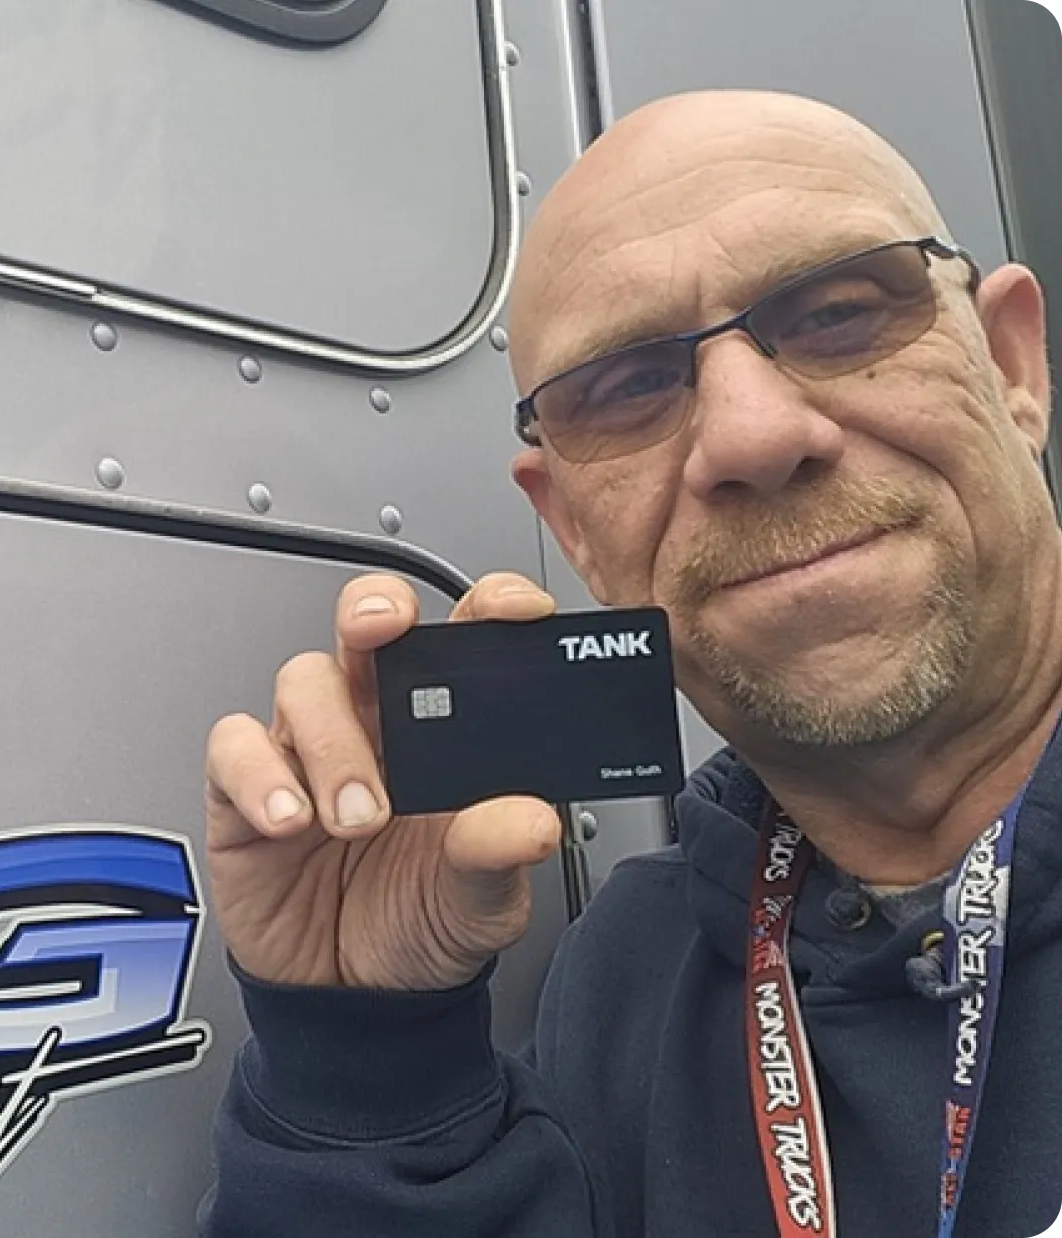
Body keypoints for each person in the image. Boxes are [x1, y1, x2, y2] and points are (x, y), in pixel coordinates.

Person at [197, 89, 1061, 1236]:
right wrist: (364, 1064)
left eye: (841, 311)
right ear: (576, 530)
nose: (753, 433)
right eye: (631, 386)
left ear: (1013, 365)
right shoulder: (627, 971)